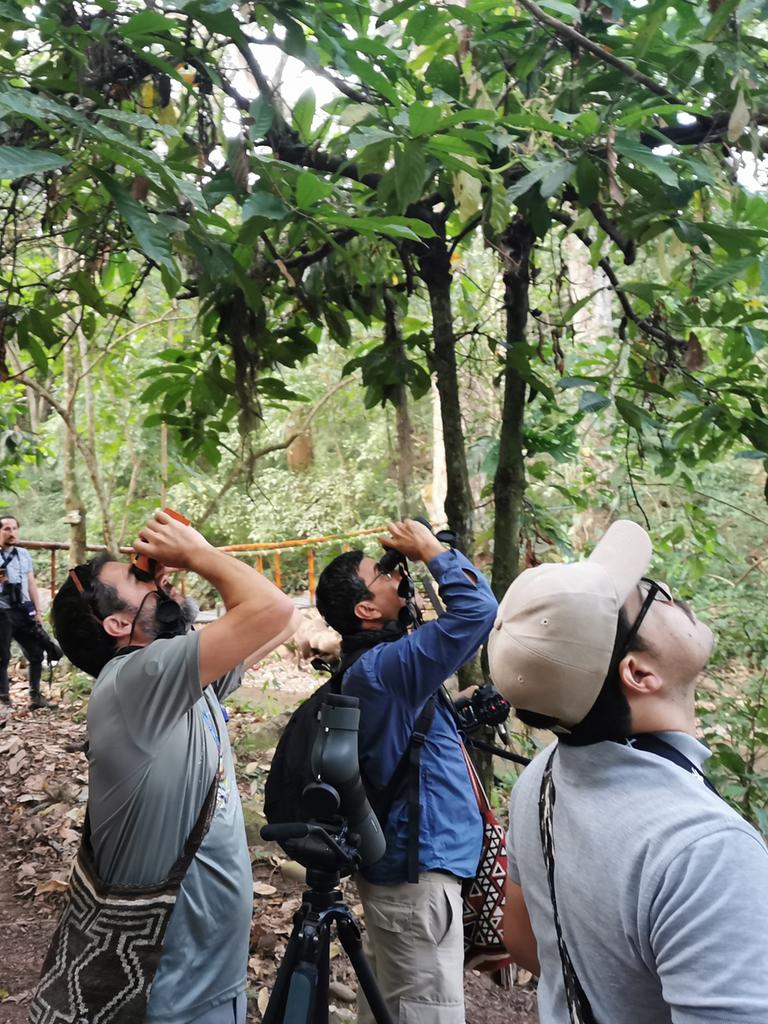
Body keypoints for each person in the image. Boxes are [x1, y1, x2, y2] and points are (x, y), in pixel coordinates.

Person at [488, 519, 768, 1023]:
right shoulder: (705, 851)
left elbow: (522, 940)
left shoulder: (542, 779)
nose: (672, 596)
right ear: (639, 674)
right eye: (652, 595)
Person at [41, 510, 298, 1024]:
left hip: (209, 980)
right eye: (141, 578)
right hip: (164, 999)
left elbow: (280, 621)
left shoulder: (181, 683)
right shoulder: (132, 682)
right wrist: (198, 554)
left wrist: (178, 572)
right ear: (116, 624)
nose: (162, 580)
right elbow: (273, 608)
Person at [315, 519, 498, 1024]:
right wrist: (430, 551)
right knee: (425, 1011)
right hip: (416, 878)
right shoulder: (388, 666)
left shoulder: (373, 665)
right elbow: (478, 611)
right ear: (367, 610)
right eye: (385, 574)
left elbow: (401, 744)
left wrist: (457, 714)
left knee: (394, 1007)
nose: (399, 577)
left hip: (404, 872)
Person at [0, 513, 54, 709]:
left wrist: (37, 611)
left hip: (23, 611)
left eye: (14, 528)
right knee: (2, 656)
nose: (11, 533)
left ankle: (35, 696)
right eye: (6, 529)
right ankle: (4, 698)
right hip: (2, 612)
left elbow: (31, 583)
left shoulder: (23, 555)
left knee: (36, 653)